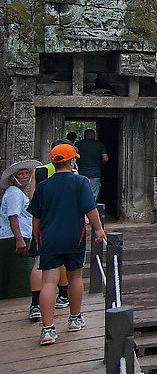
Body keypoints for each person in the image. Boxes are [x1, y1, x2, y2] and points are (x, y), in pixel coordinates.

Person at [28, 143, 106, 346]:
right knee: (75, 278)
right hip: (74, 236)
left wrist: (37, 236)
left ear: (54, 162)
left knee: (48, 282)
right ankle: (74, 318)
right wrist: (98, 229)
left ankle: (47, 329)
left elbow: (36, 216)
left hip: (49, 238)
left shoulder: (44, 185)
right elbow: (91, 209)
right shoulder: (81, 182)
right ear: (72, 161)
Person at [0, 160, 41, 299]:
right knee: (20, 273)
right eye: (21, 174)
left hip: (21, 234)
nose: (24, 176)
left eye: (27, 173)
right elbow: (13, 217)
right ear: (14, 177)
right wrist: (19, 239)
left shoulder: (18, 193)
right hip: (14, 237)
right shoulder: (14, 193)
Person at [75, 129, 108, 201]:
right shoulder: (100, 145)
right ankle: (91, 210)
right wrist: (99, 164)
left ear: (84, 136)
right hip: (95, 173)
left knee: (81, 194)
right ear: (94, 136)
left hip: (81, 173)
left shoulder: (78, 144)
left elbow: (73, 158)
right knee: (93, 196)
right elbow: (105, 159)